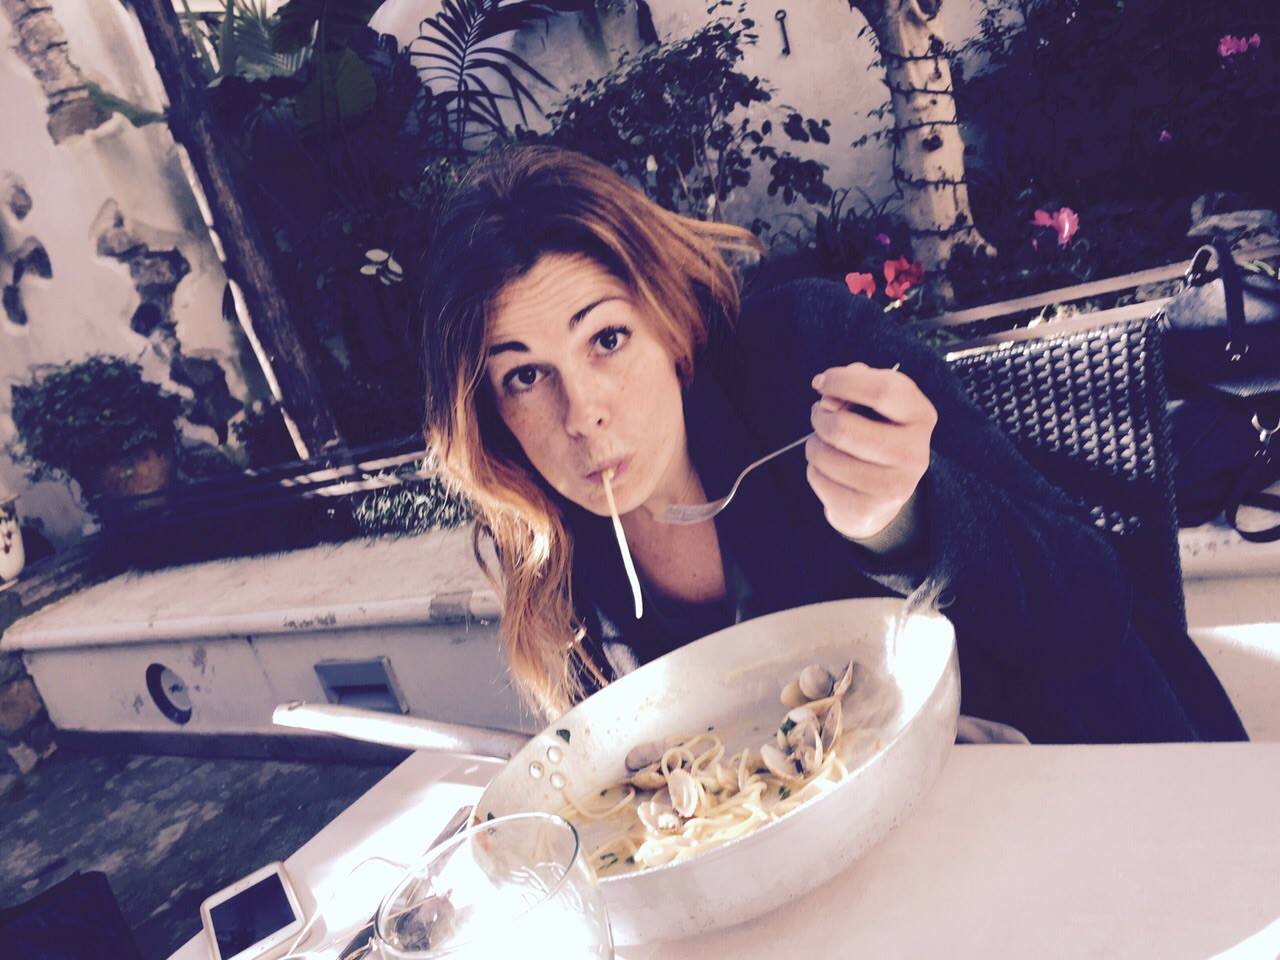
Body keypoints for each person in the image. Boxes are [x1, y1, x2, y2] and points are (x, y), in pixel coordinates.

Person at [418, 144, 1245, 744]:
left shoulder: (804, 355)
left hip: (1076, 777)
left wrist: (907, 519)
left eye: (606, 339)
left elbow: (1091, 603)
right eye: (523, 377)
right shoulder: (546, 545)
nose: (582, 415)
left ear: (667, 323)